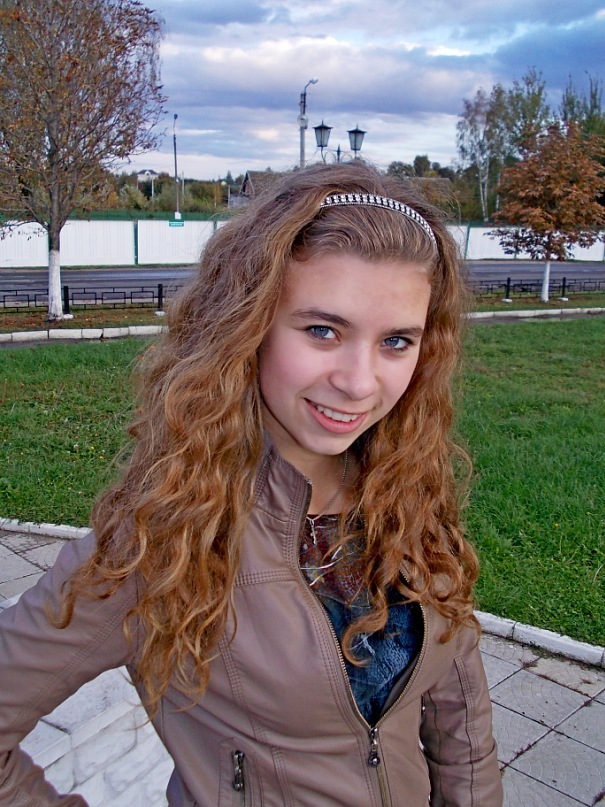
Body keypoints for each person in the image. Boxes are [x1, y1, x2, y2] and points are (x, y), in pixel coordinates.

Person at [0, 161, 503, 806]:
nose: (359, 382)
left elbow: (460, 712)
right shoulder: (159, 541)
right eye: (322, 330)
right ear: (248, 325)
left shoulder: (406, 490)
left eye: (396, 341)